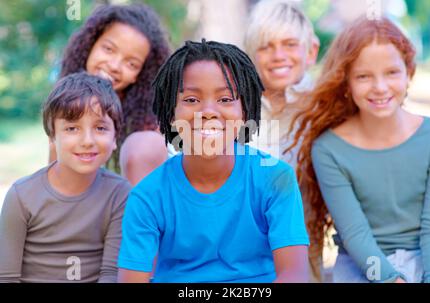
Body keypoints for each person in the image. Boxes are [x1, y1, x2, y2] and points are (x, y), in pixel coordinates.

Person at [117, 39, 310, 283]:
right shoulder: (148, 195)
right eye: (191, 100)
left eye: (225, 99)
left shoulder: (275, 178)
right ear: (171, 113)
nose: (208, 111)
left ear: (245, 111)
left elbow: (294, 275)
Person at [291, 16, 430, 282]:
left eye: (391, 72)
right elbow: (355, 235)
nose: (380, 87)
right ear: (347, 82)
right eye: (364, 76)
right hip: (362, 265)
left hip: (429, 256)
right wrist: (392, 279)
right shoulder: (329, 150)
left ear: (409, 72)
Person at [0, 72, 132, 282]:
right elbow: (6, 277)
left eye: (100, 128)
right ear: (52, 136)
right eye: (72, 128)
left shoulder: (120, 194)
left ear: (115, 137)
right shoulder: (22, 196)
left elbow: (110, 274)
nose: (87, 140)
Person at [54, 3, 171, 185]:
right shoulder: (66, 103)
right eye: (108, 49)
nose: (115, 66)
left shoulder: (149, 128)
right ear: (90, 45)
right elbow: (54, 180)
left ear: (140, 75)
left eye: (131, 64)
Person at [244, 0, 319, 168]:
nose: (278, 56)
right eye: (265, 47)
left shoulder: (325, 108)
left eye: (290, 44)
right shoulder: (237, 111)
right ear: (250, 56)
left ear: (311, 52)